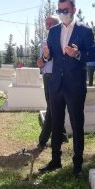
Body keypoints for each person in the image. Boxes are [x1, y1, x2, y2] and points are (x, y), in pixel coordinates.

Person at [39, 0, 95, 177]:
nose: (62, 13)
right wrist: (46, 55)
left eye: (65, 10)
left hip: (75, 85)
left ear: (74, 10)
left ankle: (77, 164)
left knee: (76, 123)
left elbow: (94, 55)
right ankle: (55, 160)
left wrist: (77, 54)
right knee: (56, 122)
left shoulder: (85, 31)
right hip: (56, 83)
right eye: (59, 10)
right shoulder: (53, 31)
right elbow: (50, 56)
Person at [37, 15, 66, 149]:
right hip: (48, 77)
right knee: (52, 107)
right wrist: (43, 60)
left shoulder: (64, 40)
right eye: (46, 23)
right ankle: (58, 136)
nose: (48, 26)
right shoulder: (44, 41)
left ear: (57, 25)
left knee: (55, 106)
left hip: (61, 76)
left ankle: (45, 138)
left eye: (51, 23)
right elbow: (41, 63)